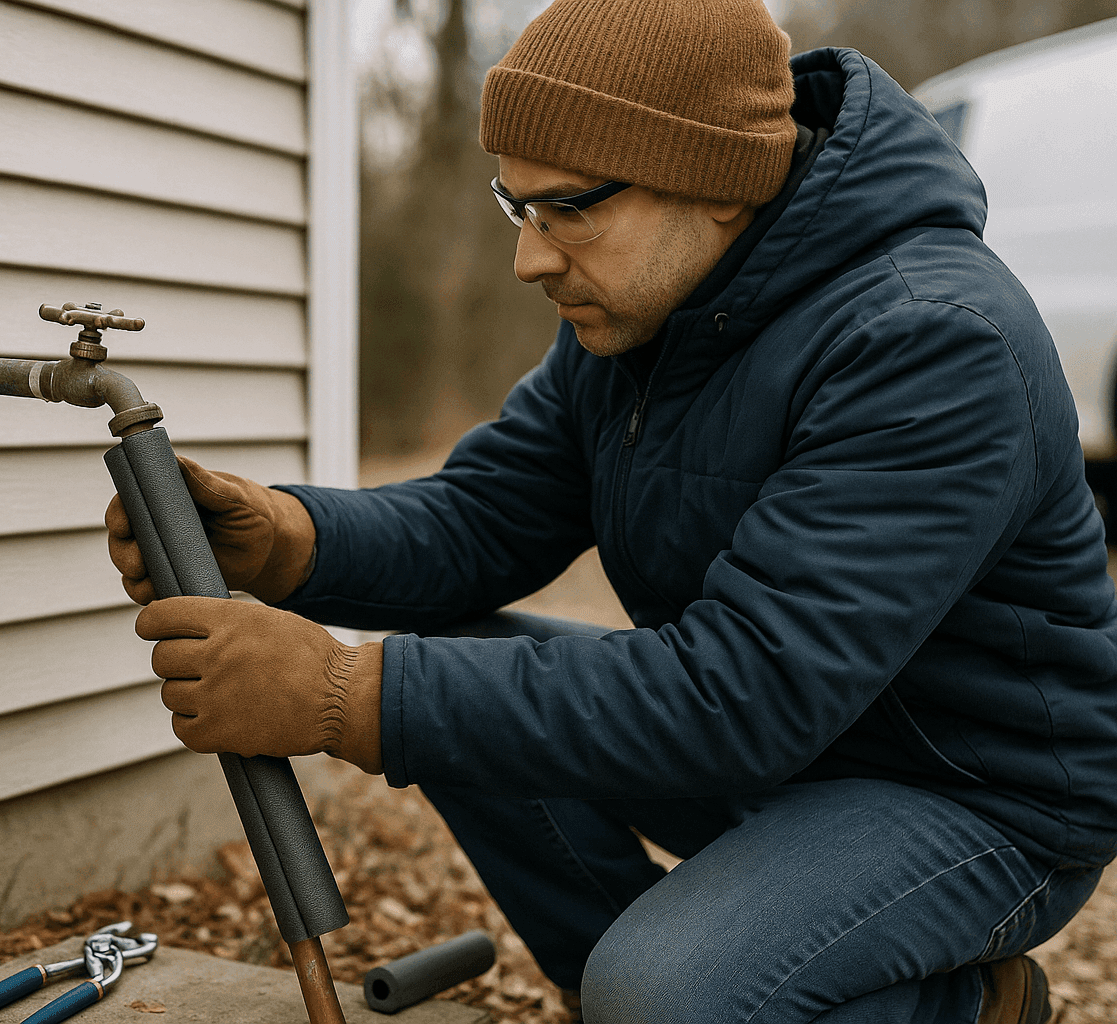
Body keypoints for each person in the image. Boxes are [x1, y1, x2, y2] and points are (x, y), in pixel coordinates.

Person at [107, 2, 1117, 1021]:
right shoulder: (649, 309)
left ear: (716, 180)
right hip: (793, 743)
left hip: (968, 791)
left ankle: (972, 1006)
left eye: (568, 210)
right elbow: (482, 521)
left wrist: (340, 692)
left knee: (659, 990)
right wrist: (287, 540)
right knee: (450, 648)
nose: (531, 259)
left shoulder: (930, 340)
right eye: (518, 208)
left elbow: (745, 691)